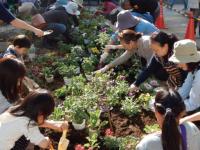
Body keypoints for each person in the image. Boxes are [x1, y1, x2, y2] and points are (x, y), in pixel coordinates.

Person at [0, 89, 68, 149]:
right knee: (25, 139)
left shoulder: (17, 109)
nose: (44, 118)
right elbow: (43, 144)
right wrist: (46, 141)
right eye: (45, 116)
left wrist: (54, 124)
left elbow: (33, 123)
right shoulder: (28, 124)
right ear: (41, 114)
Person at [169, 39, 200, 112]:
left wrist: (170, 107)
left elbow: (193, 104)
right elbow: (185, 88)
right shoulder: (194, 67)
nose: (177, 65)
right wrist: (171, 100)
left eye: (179, 61)